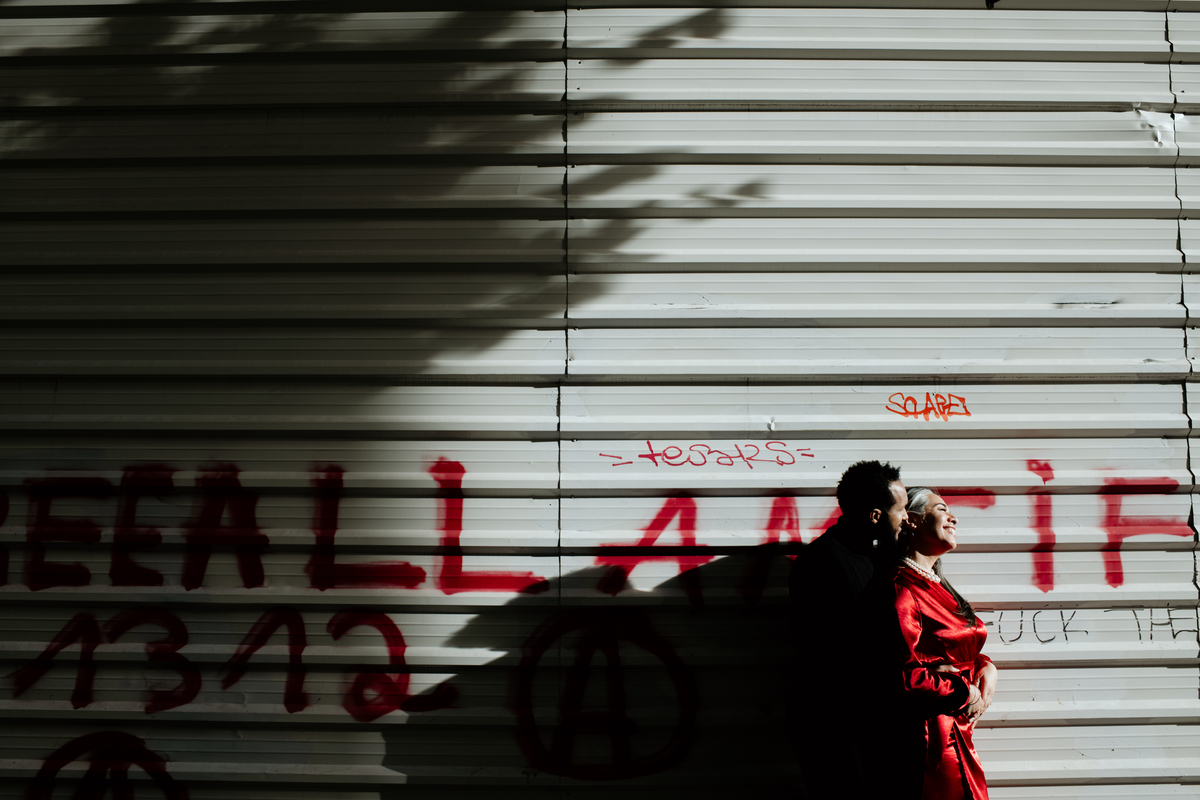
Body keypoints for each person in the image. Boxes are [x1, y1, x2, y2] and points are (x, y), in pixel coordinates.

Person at [787, 460, 908, 800]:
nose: (907, 519)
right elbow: (830, 656)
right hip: (833, 728)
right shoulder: (822, 564)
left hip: (863, 722)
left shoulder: (877, 558)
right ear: (875, 516)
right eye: (900, 511)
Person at [890, 487, 998, 800]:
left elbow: (951, 648)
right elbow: (902, 675)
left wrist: (985, 666)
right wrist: (964, 690)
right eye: (941, 509)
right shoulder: (902, 590)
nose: (955, 517)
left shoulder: (939, 586)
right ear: (912, 521)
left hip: (959, 730)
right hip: (933, 740)